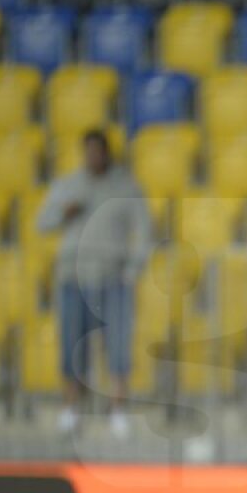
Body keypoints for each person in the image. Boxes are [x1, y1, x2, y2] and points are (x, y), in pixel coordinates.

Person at [36, 128, 152, 439]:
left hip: (113, 279)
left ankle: (118, 412)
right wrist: (64, 213)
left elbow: (144, 231)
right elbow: (42, 223)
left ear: (107, 152)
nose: (94, 157)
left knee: (118, 348)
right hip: (73, 278)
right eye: (89, 151)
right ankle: (71, 409)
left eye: (98, 151)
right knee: (72, 345)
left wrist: (132, 271)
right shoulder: (68, 185)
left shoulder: (125, 186)